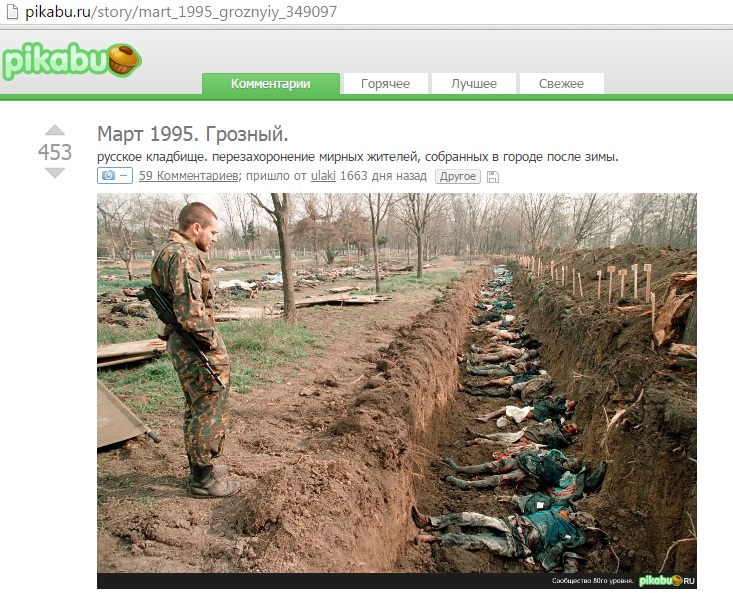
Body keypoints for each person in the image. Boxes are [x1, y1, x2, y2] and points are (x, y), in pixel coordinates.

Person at [151, 202, 240, 498]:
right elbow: (191, 315)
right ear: (196, 228)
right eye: (213, 231)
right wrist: (215, 346)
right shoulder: (183, 256)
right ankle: (203, 480)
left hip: (183, 342)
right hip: (194, 344)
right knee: (208, 406)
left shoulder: (167, 250)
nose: (215, 238)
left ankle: (200, 468)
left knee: (196, 406)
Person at [411, 504, 599, 573]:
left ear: (582, 526)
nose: (576, 516)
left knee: (478, 541)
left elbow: (570, 566)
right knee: (473, 517)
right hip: (512, 523)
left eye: (579, 519)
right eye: (578, 514)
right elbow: (536, 500)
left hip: (518, 544)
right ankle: (428, 521)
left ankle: (431, 539)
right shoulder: (561, 508)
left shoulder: (575, 538)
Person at [443, 449, 607, 500]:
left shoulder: (564, 476)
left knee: (498, 479)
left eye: (572, 464)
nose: (569, 462)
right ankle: (459, 468)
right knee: (489, 466)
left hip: (526, 473)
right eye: (571, 460)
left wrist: (589, 469)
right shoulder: (554, 456)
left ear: (572, 468)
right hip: (520, 460)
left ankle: (466, 485)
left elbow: (585, 484)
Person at [465, 418, 578, 449]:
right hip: (523, 433)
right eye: (569, 424)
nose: (568, 426)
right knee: (499, 436)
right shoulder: (556, 427)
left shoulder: (561, 438)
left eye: (570, 427)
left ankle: (477, 441)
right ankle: (475, 435)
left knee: (500, 443)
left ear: (571, 433)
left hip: (526, 442)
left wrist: (545, 434)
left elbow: (553, 445)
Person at [476, 394, 576, 426]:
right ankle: (487, 416)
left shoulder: (559, 408)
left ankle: (487, 417)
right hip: (529, 410)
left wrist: (566, 407)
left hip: (531, 413)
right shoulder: (557, 404)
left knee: (507, 409)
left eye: (570, 403)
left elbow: (559, 410)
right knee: (507, 409)